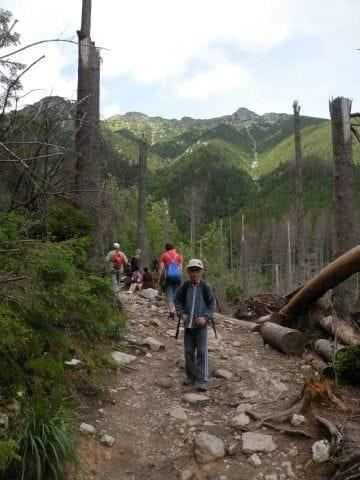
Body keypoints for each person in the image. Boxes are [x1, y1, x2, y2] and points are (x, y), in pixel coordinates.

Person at [174, 259, 215, 392]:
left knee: (202, 352)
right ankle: (191, 377)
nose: (194, 273)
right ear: (188, 272)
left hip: (201, 326)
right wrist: (181, 313)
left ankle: (202, 380)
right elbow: (177, 300)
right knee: (189, 352)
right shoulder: (184, 287)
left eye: (197, 270)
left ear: (201, 272)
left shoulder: (206, 287)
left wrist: (205, 317)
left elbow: (212, 305)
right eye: (192, 270)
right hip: (188, 326)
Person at [159, 242, 183, 319]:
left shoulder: (164, 255)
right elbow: (180, 268)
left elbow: (162, 268)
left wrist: (160, 278)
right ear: (173, 248)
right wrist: (180, 278)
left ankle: (171, 312)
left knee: (169, 294)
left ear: (166, 248)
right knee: (176, 294)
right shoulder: (178, 256)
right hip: (177, 277)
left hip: (168, 278)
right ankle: (176, 311)